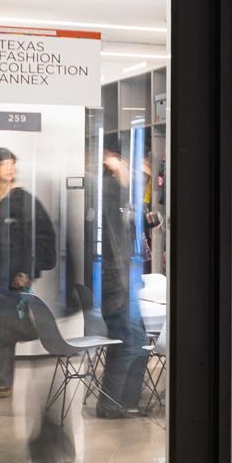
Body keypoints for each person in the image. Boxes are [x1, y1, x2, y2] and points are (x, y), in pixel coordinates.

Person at [0, 147, 56, 399]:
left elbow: (42, 236)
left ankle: (0, 382)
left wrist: (27, 271)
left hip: (11, 276)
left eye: (12, 163)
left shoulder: (22, 199)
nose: (10, 168)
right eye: (3, 164)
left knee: (3, 327)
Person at [97, 146, 152, 418]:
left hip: (123, 281)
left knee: (134, 341)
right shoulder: (110, 193)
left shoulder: (120, 198)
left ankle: (126, 402)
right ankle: (112, 404)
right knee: (130, 342)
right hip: (117, 283)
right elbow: (112, 242)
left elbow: (129, 227)